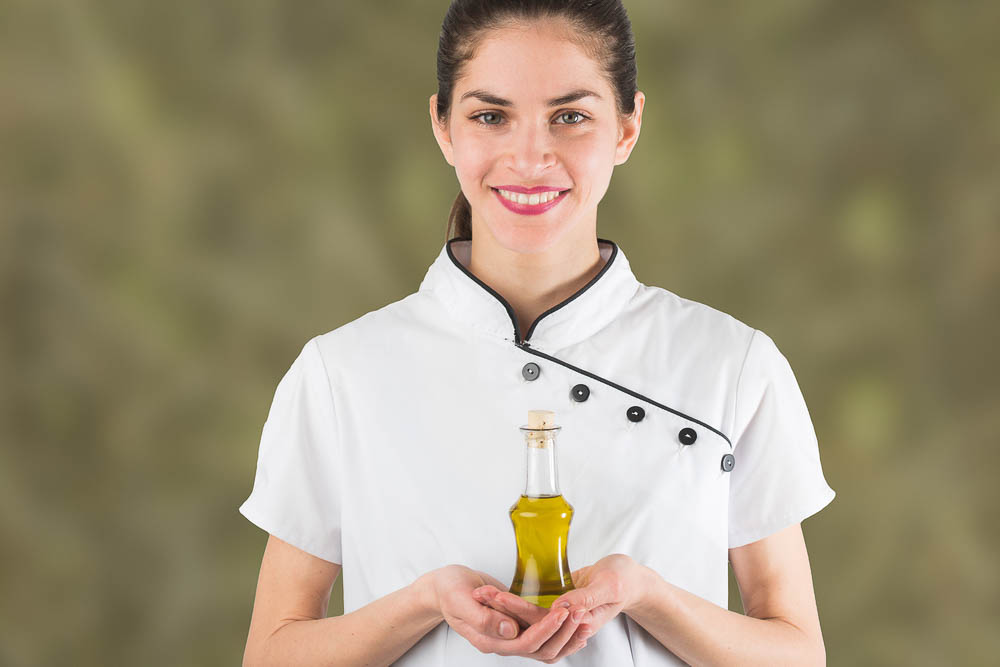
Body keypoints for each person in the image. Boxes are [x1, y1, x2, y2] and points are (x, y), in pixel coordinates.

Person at [238, 1, 836, 665]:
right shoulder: (339, 374)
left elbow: (797, 654)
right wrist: (422, 600)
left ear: (628, 127)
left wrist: (648, 594)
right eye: (490, 116)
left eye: (570, 116)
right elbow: (271, 654)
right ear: (442, 127)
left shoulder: (731, 364)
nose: (529, 156)